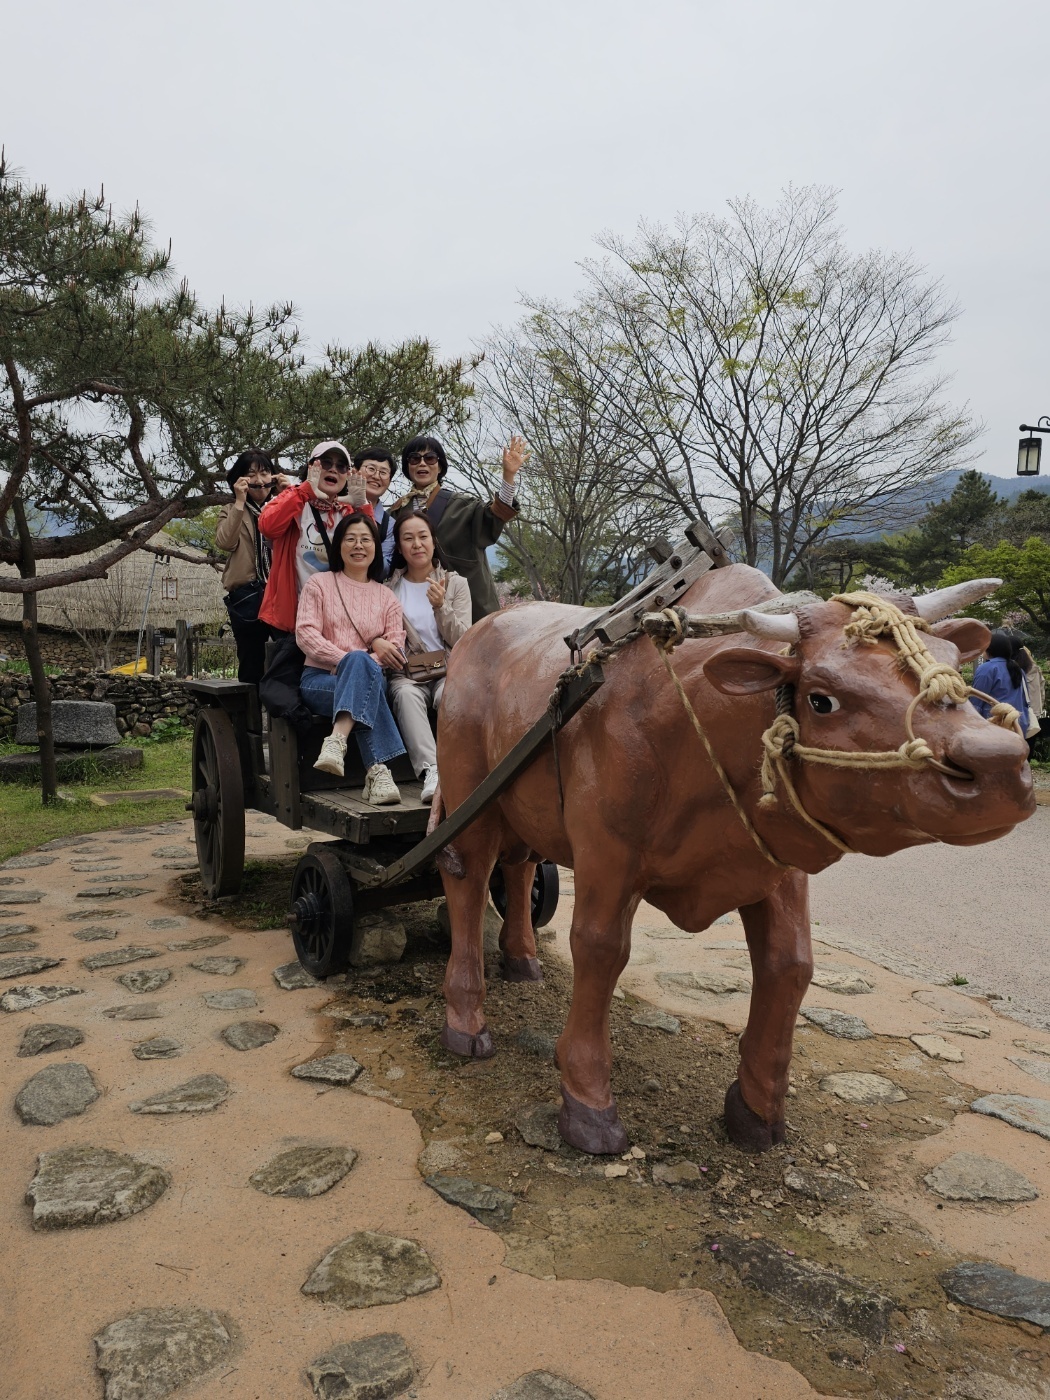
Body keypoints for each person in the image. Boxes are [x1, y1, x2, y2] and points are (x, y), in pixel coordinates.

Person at [295, 511, 407, 805]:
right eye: (351, 539)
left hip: (369, 680)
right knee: (359, 667)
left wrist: (357, 663)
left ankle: (337, 742)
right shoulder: (319, 584)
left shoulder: (387, 597)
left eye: (366, 539)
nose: (359, 546)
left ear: (375, 547)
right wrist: (346, 661)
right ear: (339, 546)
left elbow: (395, 646)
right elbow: (306, 634)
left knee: (360, 667)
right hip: (320, 680)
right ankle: (379, 771)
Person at [390, 433, 527, 622]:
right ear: (407, 466)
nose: (422, 463)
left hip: (469, 612)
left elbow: (495, 515)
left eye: (430, 458)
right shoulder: (396, 513)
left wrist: (508, 477)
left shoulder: (462, 506)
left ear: (440, 466)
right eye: (414, 458)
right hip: (415, 613)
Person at [385, 510, 472, 803]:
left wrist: (441, 607)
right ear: (399, 547)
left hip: (449, 669)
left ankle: (460, 771)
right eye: (408, 538)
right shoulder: (389, 589)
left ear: (434, 541)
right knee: (405, 695)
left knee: (450, 694)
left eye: (423, 536)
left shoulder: (455, 584)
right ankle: (432, 771)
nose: (417, 544)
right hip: (407, 673)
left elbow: (464, 639)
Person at [257, 441, 374, 635]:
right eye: (326, 463)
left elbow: (371, 552)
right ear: (311, 467)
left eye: (341, 466)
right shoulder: (292, 500)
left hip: (337, 618)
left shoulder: (348, 512)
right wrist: (304, 491)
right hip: (293, 617)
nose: (333, 469)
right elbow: (268, 527)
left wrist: (362, 505)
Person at [215, 449, 285, 683]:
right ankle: (250, 707)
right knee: (251, 663)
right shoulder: (230, 509)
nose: (259, 480)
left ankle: (280, 704)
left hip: (280, 592)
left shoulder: (283, 505)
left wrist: (288, 494)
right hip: (247, 595)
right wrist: (239, 502)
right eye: (251, 474)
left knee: (288, 655)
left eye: (264, 473)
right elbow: (225, 543)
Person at [970, 631, 1033, 733]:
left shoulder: (987, 668)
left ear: (989, 649)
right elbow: (1024, 700)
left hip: (994, 725)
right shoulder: (1018, 669)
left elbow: (976, 701)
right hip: (1017, 725)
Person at [353, 445, 397, 576]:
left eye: (383, 472)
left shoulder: (389, 525)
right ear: (355, 471)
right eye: (371, 469)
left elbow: (385, 569)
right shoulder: (335, 507)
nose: (376, 476)